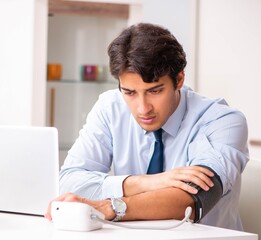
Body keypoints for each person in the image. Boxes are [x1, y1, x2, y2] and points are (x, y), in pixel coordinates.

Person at [45, 23, 249, 230]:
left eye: (155, 91)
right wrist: (145, 182)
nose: (143, 109)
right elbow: (69, 183)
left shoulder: (223, 121)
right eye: (130, 92)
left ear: (179, 80)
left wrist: (111, 207)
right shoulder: (110, 107)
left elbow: (192, 199)